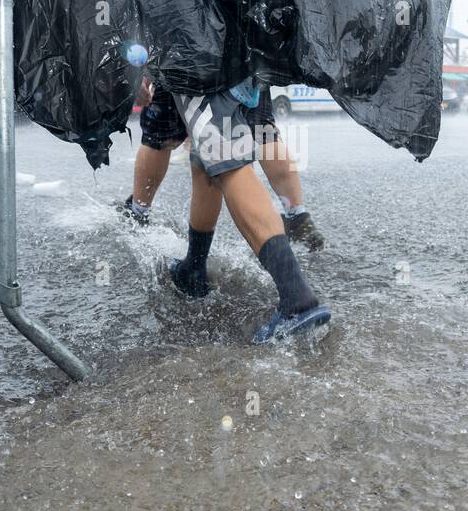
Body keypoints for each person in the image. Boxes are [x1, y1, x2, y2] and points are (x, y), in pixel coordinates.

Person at [127, 82, 331, 343]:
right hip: (240, 53)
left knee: (225, 157)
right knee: (209, 154)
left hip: (196, 55)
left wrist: (141, 65)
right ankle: (194, 266)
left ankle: (297, 299)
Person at [119, 83, 325, 250]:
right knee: (263, 129)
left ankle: (139, 212)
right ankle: (298, 214)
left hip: (186, 53)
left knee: (161, 135)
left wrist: (141, 71)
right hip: (248, 51)